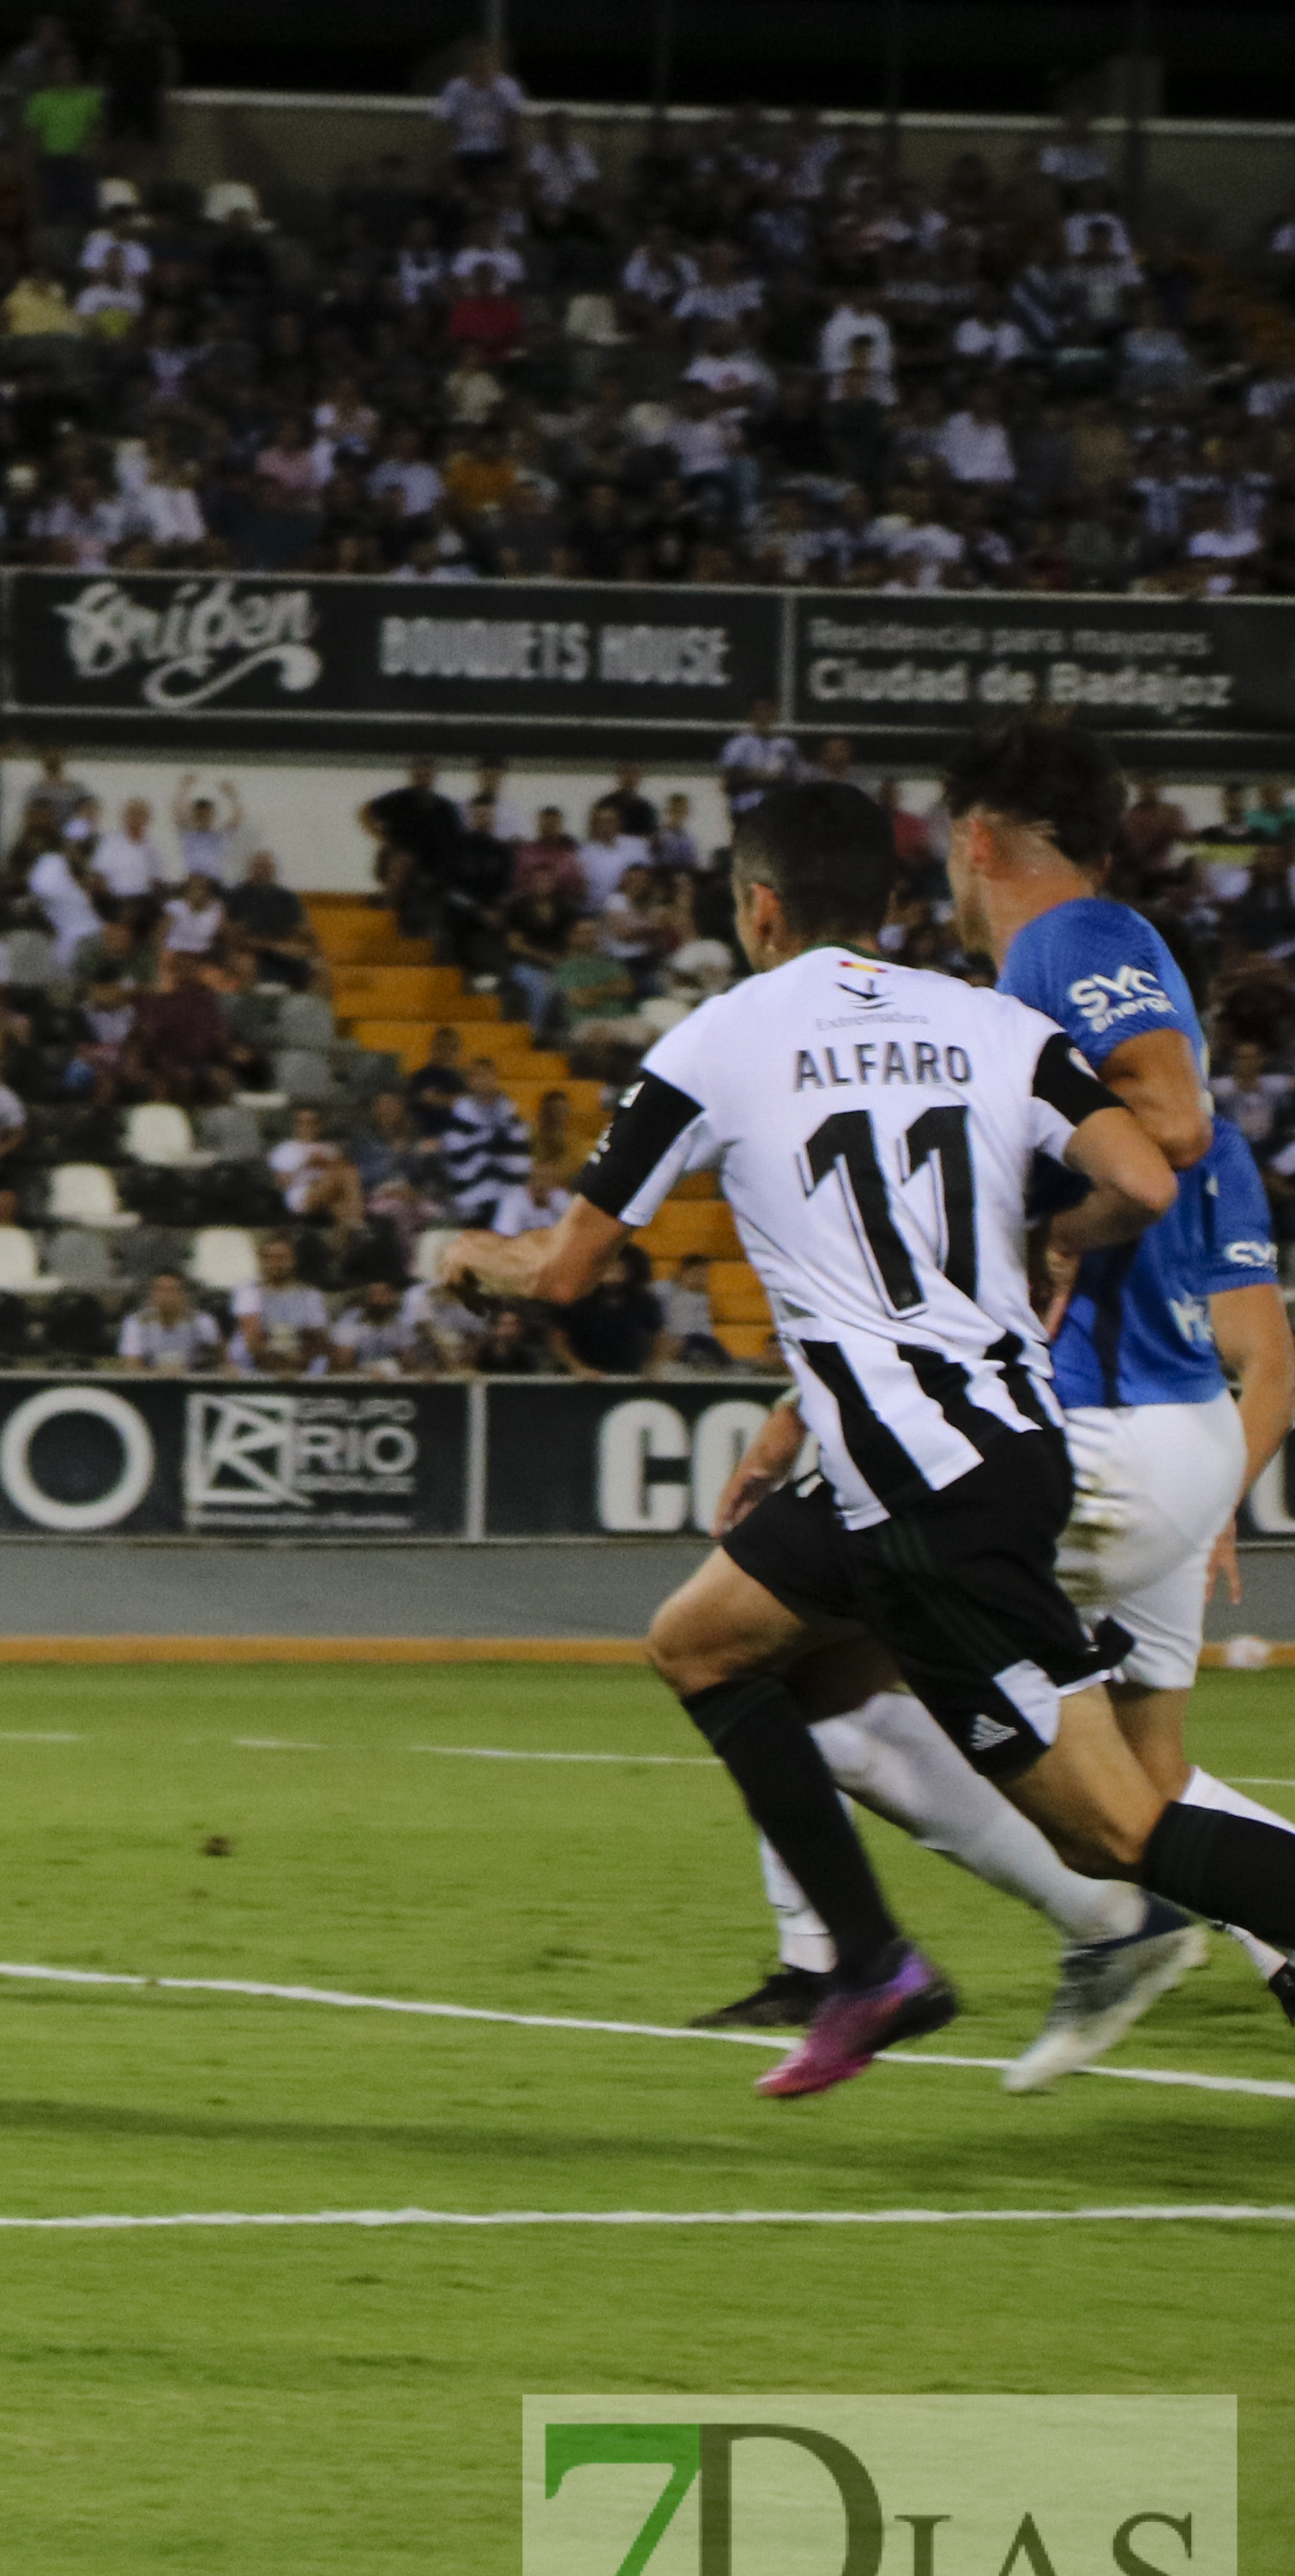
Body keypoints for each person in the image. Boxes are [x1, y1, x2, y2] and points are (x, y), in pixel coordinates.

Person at [435, 779, 1295, 2099]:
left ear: (760, 904)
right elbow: (1144, 1175)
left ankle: (880, 1958)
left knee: (1118, 1827)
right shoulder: (994, 1024)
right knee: (703, 1639)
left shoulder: (718, 1039)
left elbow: (562, 1270)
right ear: (889, 903)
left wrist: (470, 1261)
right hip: (980, 1444)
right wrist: (1059, 1239)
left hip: (927, 1491)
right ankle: (869, 1961)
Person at [670, 722, 1295, 2069]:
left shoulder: (1068, 943)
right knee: (1141, 1778)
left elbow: (1169, 1123)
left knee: (780, 1662)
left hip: (1081, 1427)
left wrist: (1059, 1227)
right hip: (1131, 1429)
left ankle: (950, 1943)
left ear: (971, 837)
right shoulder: (1033, 984)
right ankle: (949, 1940)